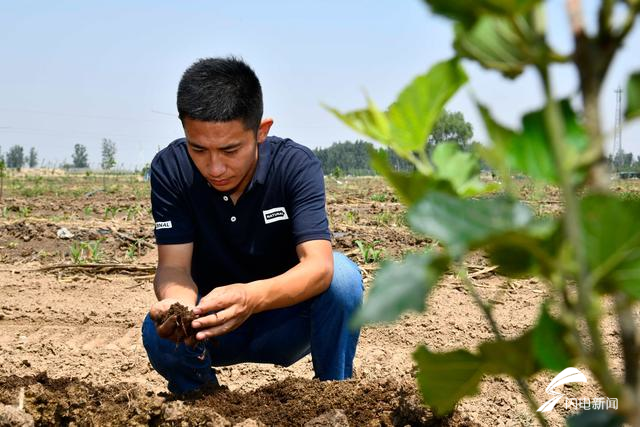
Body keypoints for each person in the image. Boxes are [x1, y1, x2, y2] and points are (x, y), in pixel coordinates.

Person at [141, 57, 363, 394]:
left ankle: (335, 396)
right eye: (198, 149)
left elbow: (318, 267)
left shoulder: (294, 167)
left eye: (230, 150)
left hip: (285, 320)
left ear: (261, 131)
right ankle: (205, 406)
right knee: (155, 331)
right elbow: (173, 267)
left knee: (343, 279)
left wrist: (252, 297)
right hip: (213, 328)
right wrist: (180, 305)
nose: (215, 168)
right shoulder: (171, 170)